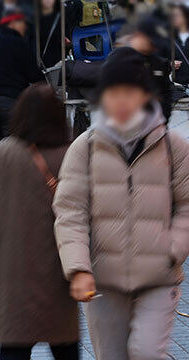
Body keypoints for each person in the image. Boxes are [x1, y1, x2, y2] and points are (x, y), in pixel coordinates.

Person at [53, 48, 189, 360]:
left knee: (146, 353)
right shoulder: (84, 148)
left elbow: (187, 204)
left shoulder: (173, 147)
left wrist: (173, 249)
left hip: (158, 276)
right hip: (104, 281)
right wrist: (78, 268)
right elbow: (70, 211)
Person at [0, 84, 78, 360]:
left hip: (14, 267)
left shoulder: (4, 152)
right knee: (64, 343)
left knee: (15, 345)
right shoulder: (72, 153)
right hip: (60, 264)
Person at [0, 8, 43, 146]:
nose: (25, 27)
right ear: (14, 23)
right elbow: (33, 75)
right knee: (13, 144)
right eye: (23, 23)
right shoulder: (21, 46)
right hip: (11, 101)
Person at [129, 14, 174, 121]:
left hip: (156, 122)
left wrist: (164, 116)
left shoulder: (159, 63)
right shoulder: (123, 60)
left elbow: (167, 90)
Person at [30, 0, 63, 68]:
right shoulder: (33, 19)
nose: (48, 1)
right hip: (38, 62)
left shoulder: (61, 17)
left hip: (57, 61)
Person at [172, 4, 189, 90]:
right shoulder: (170, 38)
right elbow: (161, 59)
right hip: (179, 87)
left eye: (177, 15)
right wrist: (170, 64)